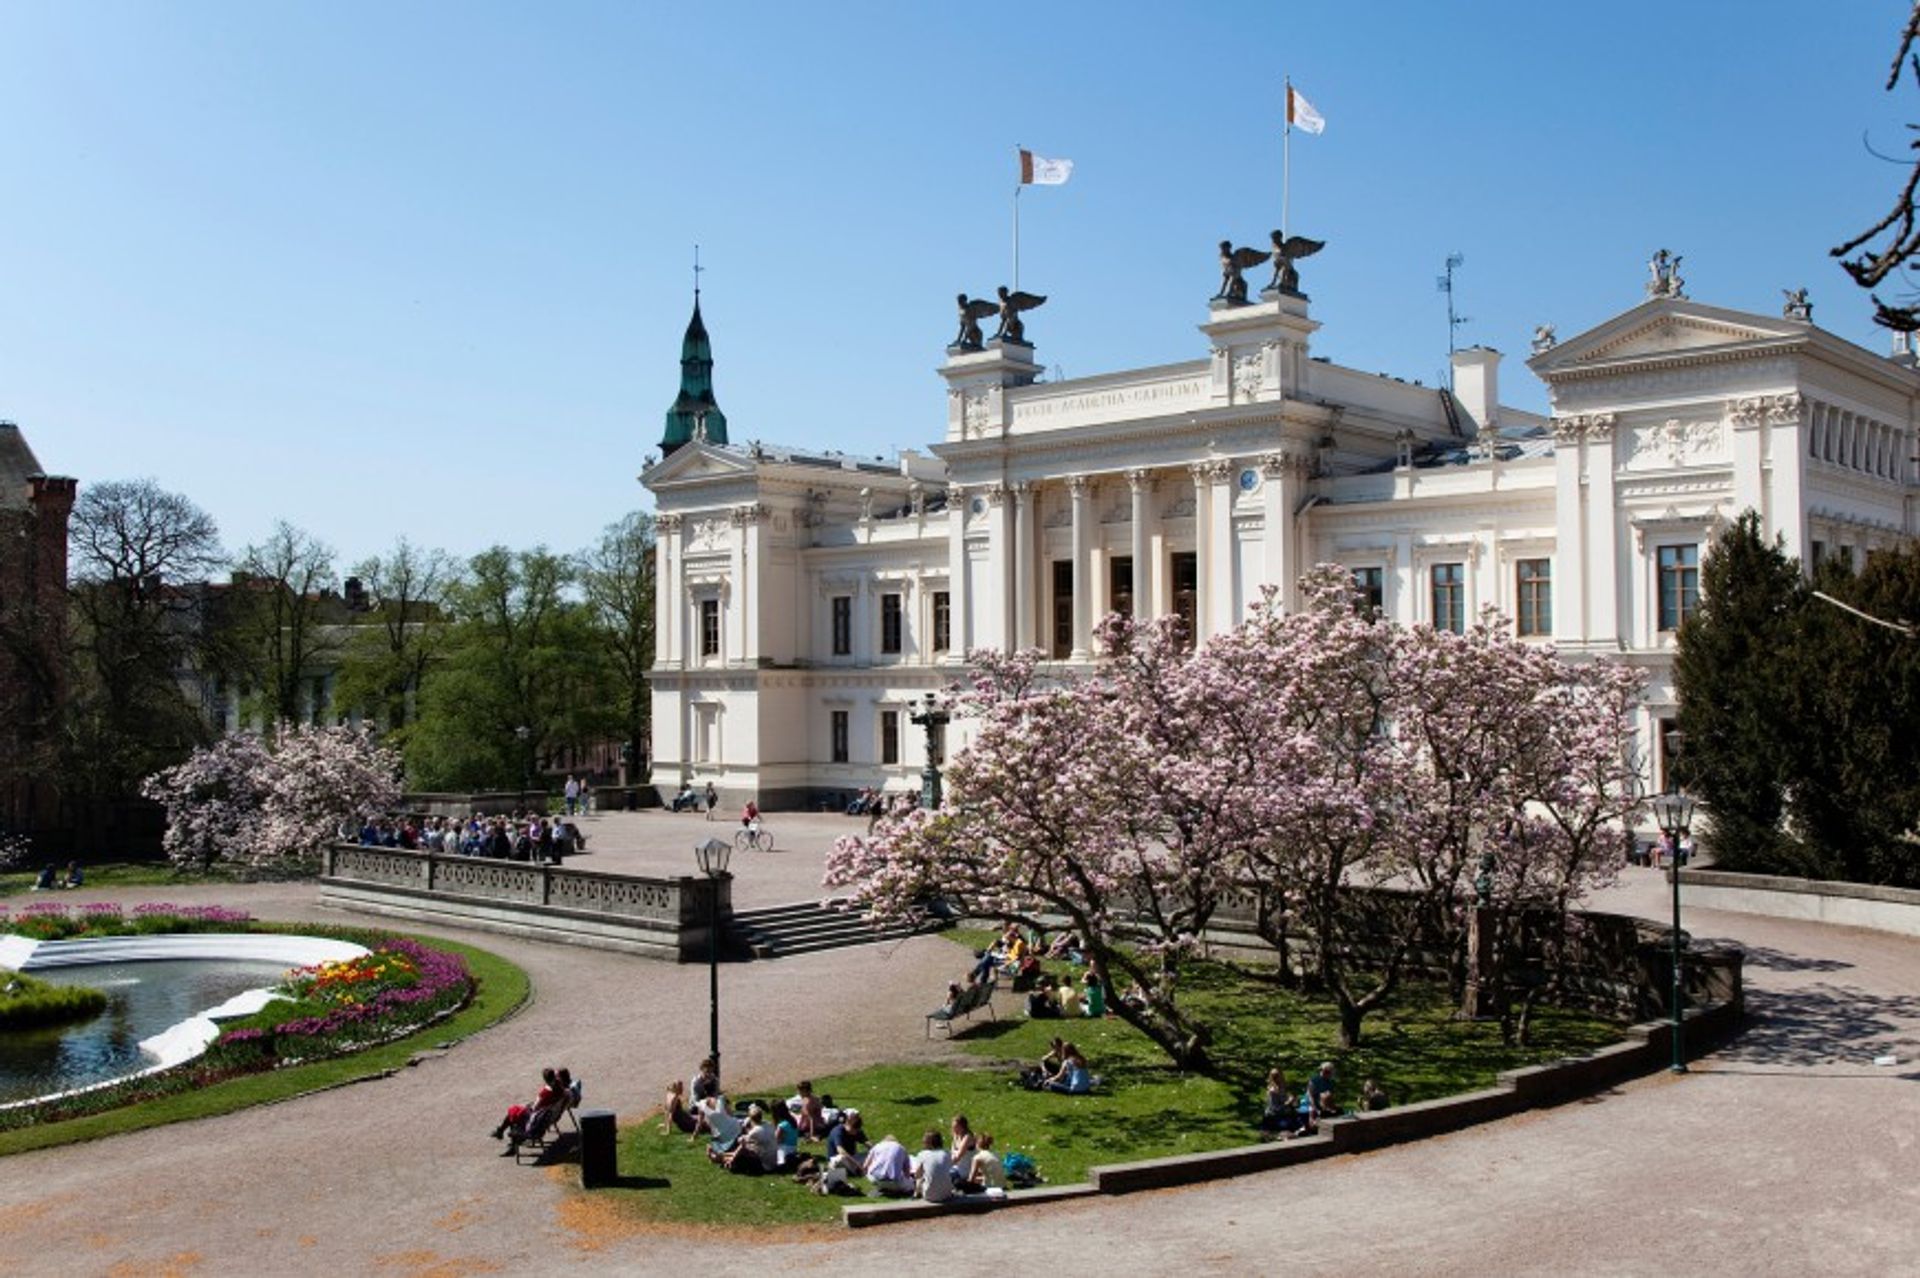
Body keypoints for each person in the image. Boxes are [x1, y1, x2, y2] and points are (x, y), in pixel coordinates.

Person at [1258, 1069, 1308, 1138]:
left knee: (1300, 1115)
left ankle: (1299, 1130)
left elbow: (1284, 1100)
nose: (1282, 1078)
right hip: (1274, 1116)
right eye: (1279, 1077)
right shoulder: (1273, 1091)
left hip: (1284, 1112)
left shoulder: (1281, 1087)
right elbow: (1275, 1108)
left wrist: (1292, 1100)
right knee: (1286, 1124)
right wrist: (1288, 1102)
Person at [863, 1131, 914, 1197]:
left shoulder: (876, 1146)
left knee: (872, 1170)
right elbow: (907, 1172)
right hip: (895, 1182)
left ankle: (882, 1189)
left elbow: (865, 1166)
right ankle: (896, 1191)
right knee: (910, 1184)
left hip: (876, 1180)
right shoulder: (902, 1148)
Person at [911, 1129, 955, 1203]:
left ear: (929, 1143)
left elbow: (917, 1175)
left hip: (930, 1195)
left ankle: (915, 1194)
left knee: (920, 1178)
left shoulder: (922, 1154)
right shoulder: (946, 1153)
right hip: (947, 1194)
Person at [770, 1100, 800, 1168]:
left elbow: (777, 1140)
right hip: (793, 1148)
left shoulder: (782, 1126)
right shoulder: (792, 1120)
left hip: (783, 1151)